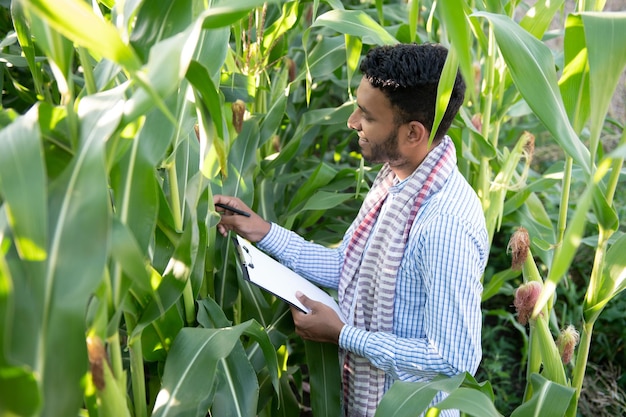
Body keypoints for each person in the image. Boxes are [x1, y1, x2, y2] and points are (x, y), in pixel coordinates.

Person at [214, 43, 489, 417]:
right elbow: (350, 266)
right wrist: (264, 232)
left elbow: (454, 360)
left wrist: (344, 335)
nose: (352, 122)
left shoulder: (444, 225)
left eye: (368, 116)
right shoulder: (395, 177)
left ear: (413, 133)